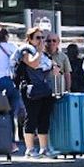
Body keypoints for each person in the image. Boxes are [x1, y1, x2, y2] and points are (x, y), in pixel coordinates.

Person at [17, 26, 56, 158]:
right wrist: (39, 51)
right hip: (30, 88)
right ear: (30, 39)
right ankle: (29, 148)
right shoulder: (25, 51)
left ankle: (44, 148)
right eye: (37, 38)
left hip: (43, 88)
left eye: (42, 37)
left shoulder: (44, 54)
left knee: (44, 118)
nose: (41, 40)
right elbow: (32, 64)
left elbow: (48, 67)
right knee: (32, 117)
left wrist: (54, 67)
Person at [0, 24, 24, 122]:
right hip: (9, 81)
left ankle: (2, 134)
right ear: (6, 37)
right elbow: (21, 57)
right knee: (12, 112)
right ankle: (13, 134)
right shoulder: (10, 47)